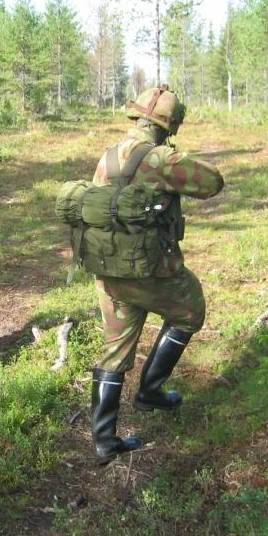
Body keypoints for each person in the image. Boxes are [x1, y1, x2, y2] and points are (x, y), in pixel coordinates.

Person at [89, 85, 224, 461]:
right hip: (151, 272)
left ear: (135, 117)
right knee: (190, 311)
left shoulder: (109, 155)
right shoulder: (161, 158)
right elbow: (213, 182)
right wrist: (177, 159)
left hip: (109, 270)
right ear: (169, 124)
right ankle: (150, 391)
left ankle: (103, 441)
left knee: (115, 352)